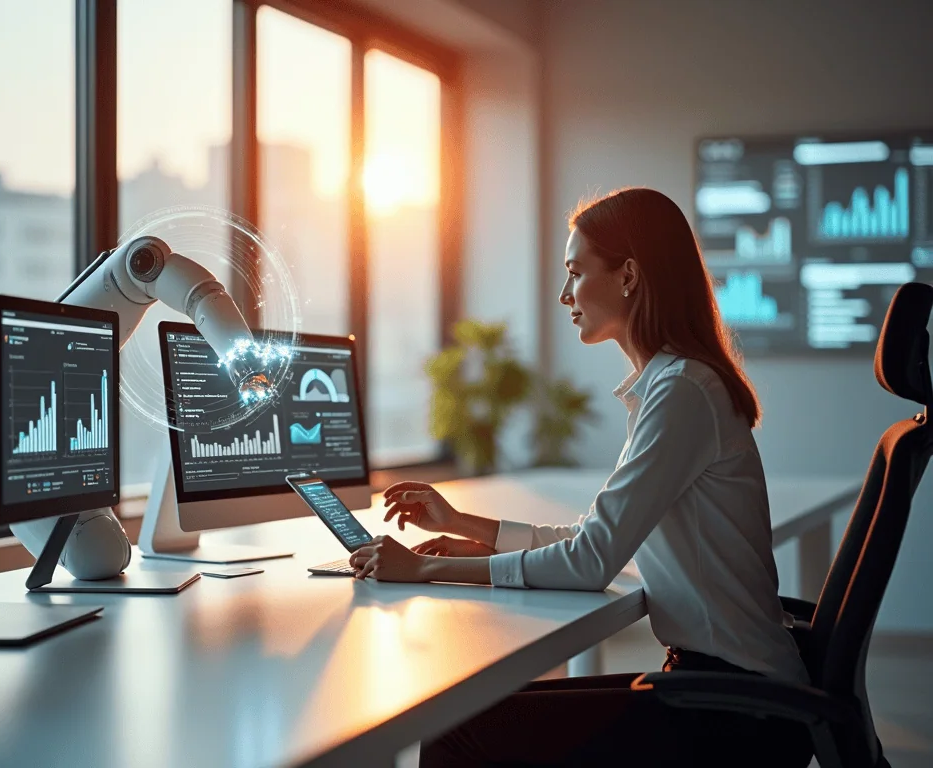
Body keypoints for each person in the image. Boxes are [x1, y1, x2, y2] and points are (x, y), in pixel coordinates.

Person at [347, 187, 815, 767]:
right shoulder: (672, 387)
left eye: (575, 272)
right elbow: (594, 540)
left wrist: (426, 568)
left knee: (457, 730)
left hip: (740, 711)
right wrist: (467, 524)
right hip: (725, 687)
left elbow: (590, 562)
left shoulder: (682, 393)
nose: (565, 295)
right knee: (469, 716)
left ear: (628, 275)